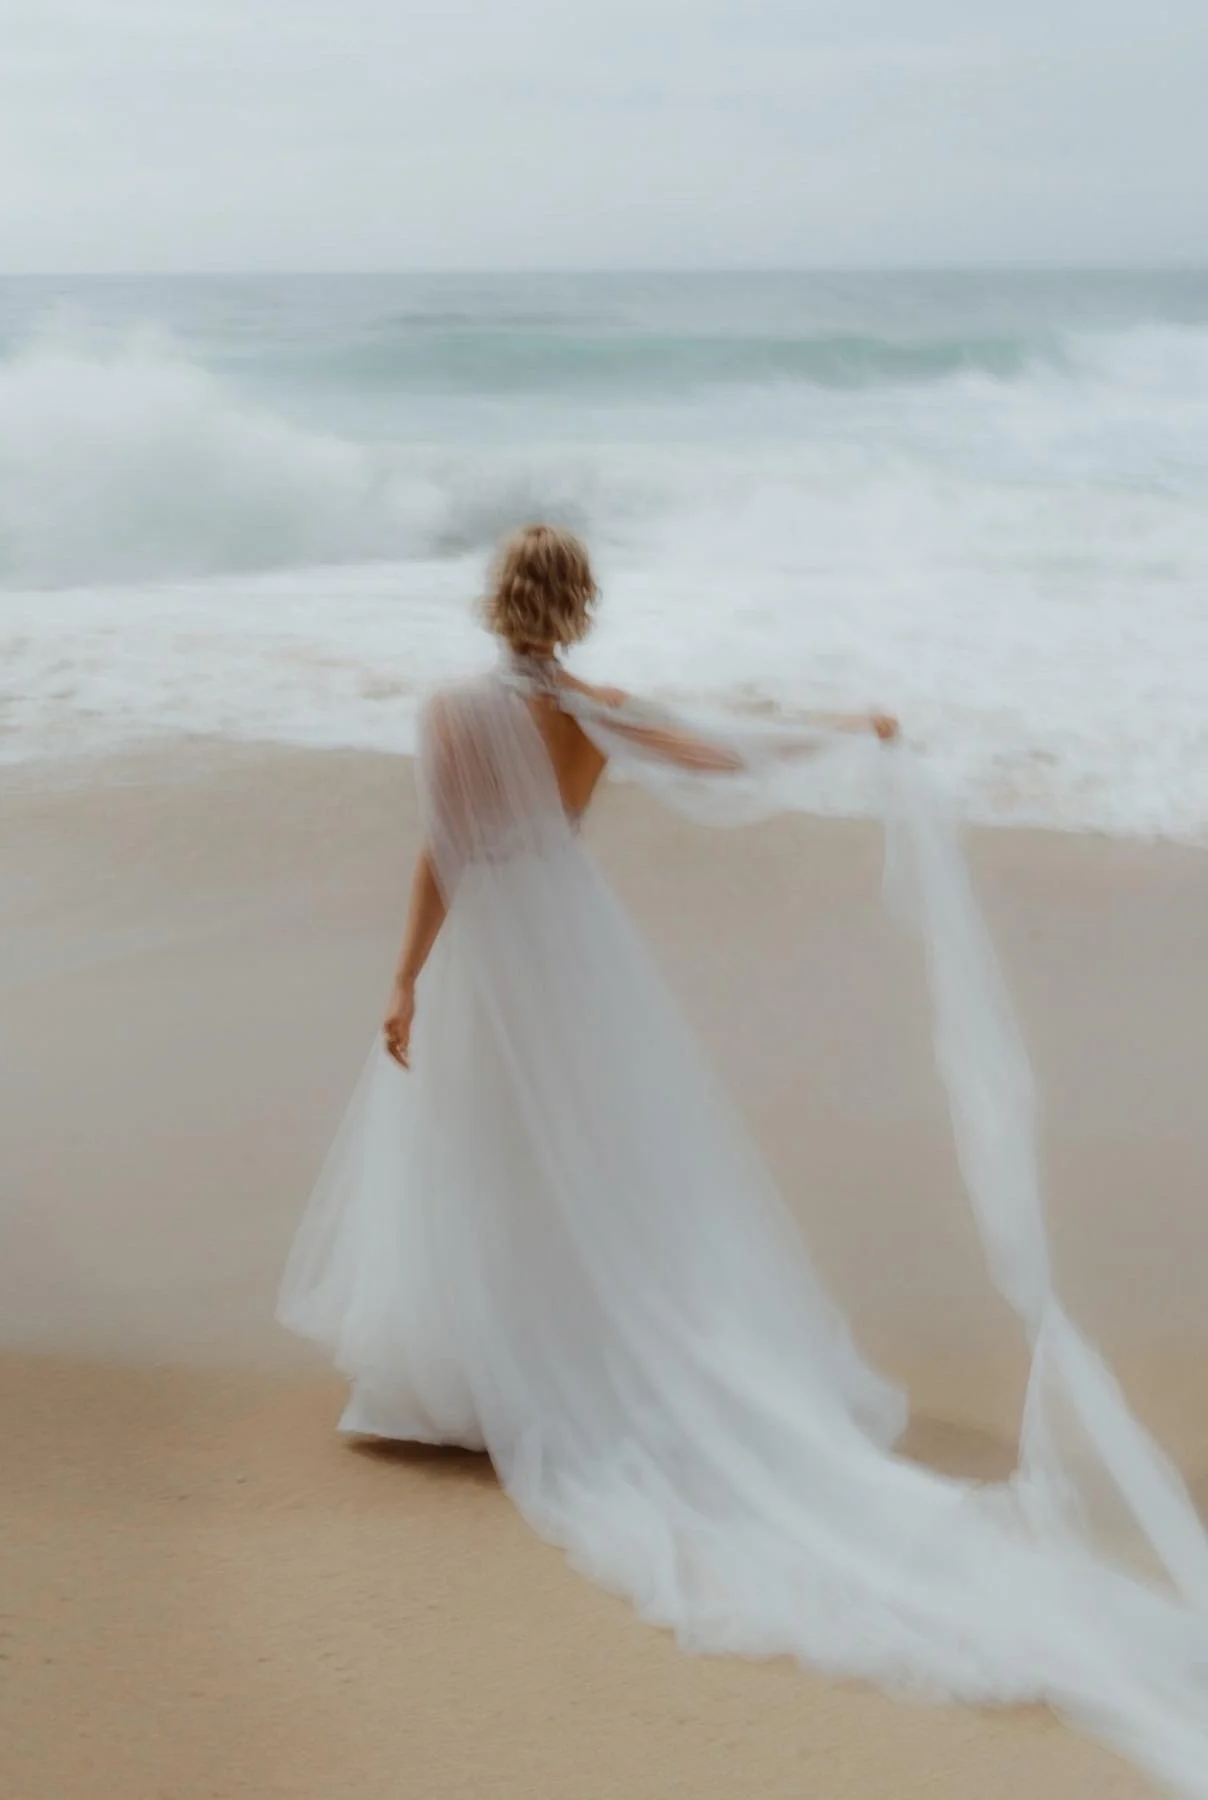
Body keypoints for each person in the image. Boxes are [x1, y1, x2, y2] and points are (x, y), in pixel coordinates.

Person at [280, 524, 1208, 1794]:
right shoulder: (595, 710)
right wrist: (846, 730)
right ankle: (566, 1353)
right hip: (578, 953)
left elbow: (444, 850)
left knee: (479, 1156)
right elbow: (720, 754)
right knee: (597, 1173)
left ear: (496, 602)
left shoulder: (447, 712)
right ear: (579, 607)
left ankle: (483, 1373)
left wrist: (405, 976)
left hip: (497, 951)